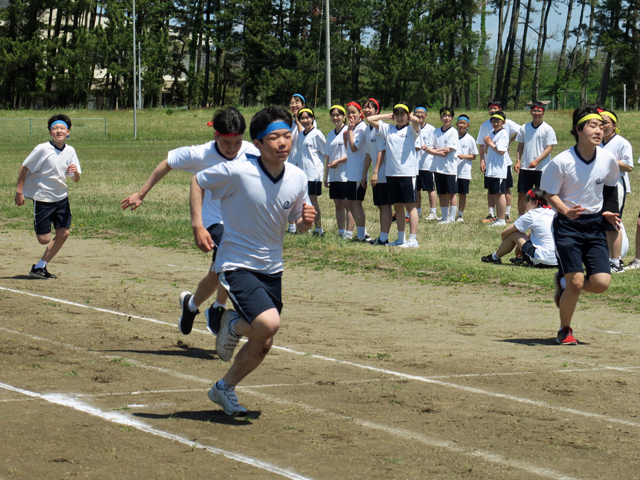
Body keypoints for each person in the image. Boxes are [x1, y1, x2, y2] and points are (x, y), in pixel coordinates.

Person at [189, 106, 316, 415]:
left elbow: (297, 222)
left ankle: (223, 388)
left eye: (288, 135)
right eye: (274, 137)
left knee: (264, 341)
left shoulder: (298, 177)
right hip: (236, 262)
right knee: (268, 323)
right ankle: (231, 323)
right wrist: (198, 225)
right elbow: (198, 181)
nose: (283, 143)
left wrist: (305, 222)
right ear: (258, 144)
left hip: (272, 267)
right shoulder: (239, 170)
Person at [120, 107, 258, 337]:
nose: (233, 149)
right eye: (227, 144)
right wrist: (142, 193)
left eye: (237, 142)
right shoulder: (200, 154)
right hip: (212, 221)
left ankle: (192, 305)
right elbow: (167, 163)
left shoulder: (252, 151)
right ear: (216, 136)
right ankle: (219, 308)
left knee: (220, 270)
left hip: (240, 221)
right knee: (229, 258)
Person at [540, 106, 620, 345]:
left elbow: (610, 186)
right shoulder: (562, 161)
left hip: (594, 225)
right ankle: (565, 330)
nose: (599, 130)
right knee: (576, 282)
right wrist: (565, 210)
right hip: (567, 226)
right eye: (593, 126)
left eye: (601, 126)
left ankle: (561, 283)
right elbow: (549, 194)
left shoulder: (607, 158)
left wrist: (609, 210)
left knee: (601, 283)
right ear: (578, 129)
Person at [15, 114, 81, 280]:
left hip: (61, 199)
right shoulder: (42, 149)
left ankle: (40, 266)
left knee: (64, 233)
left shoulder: (70, 151)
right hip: (43, 198)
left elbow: (76, 178)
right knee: (44, 239)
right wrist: (19, 192)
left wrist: (75, 172)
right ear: (50, 132)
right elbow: (24, 167)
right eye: (55, 128)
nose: (59, 131)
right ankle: (40, 227)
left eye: (62, 128)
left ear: (68, 132)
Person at [367, 103, 421, 247]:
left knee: (410, 207)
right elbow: (371, 119)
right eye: (397, 115)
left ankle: (413, 239)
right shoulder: (388, 128)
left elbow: (416, 121)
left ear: (408, 115)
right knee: (397, 208)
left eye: (402, 115)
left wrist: (410, 116)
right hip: (391, 173)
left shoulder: (411, 129)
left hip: (407, 173)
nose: (399, 118)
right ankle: (400, 238)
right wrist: (388, 116)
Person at [481, 188, 557, 267]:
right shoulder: (553, 212)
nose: (524, 204)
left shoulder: (532, 214)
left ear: (535, 202)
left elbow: (504, 233)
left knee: (515, 233)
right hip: (559, 260)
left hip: (542, 260)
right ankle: (520, 258)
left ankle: (494, 257)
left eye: (527, 201)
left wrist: (508, 241)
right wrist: (519, 249)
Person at [597, 109, 633, 273]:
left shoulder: (621, 142)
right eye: (600, 122)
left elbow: (629, 166)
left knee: (613, 222)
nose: (603, 126)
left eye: (606, 122)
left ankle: (616, 261)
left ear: (614, 125)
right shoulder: (597, 141)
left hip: (615, 184)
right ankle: (604, 256)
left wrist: (611, 160)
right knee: (600, 221)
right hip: (597, 184)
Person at [477, 99, 519, 222]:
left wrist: (509, 142)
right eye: (490, 109)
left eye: (495, 108)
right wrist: (483, 157)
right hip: (491, 163)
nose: (495, 123)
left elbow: (502, 149)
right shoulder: (488, 127)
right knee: (493, 190)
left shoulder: (506, 128)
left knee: (503, 189)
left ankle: (505, 215)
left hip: (502, 164)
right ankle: (492, 214)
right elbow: (483, 146)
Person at [515, 102, 557, 215]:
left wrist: (537, 160)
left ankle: (543, 215)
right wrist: (518, 161)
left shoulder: (547, 129)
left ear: (543, 113)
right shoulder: (524, 127)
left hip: (542, 168)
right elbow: (520, 146)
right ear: (530, 112)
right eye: (534, 111)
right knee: (522, 193)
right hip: (526, 167)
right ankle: (521, 217)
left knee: (542, 194)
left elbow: (549, 148)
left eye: (539, 111)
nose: (536, 113)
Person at [363, 98, 392, 246]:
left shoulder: (380, 128)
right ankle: (382, 237)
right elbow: (369, 153)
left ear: (377, 111)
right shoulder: (367, 130)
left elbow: (382, 151)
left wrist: (375, 172)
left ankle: (383, 238)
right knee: (381, 205)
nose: (367, 110)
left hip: (385, 173)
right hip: (376, 174)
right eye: (365, 107)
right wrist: (364, 174)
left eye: (371, 108)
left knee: (385, 205)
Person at [323, 105, 354, 237]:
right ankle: (341, 231)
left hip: (346, 174)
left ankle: (349, 232)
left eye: (338, 115)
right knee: (338, 204)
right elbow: (328, 157)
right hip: (334, 175)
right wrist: (326, 177)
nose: (335, 117)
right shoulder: (330, 135)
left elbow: (353, 154)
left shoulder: (348, 131)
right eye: (333, 115)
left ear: (344, 117)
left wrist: (338, 162)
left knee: (349, 205)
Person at [295, 107, 326, 235]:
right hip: (303, 175)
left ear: (313, 118)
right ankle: (306, 228)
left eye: (308, 117)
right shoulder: (300, 135)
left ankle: (318, 229)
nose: (305, 120)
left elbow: (325, 152)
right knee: (303, 202)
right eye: (303, 118)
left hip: (313, 174)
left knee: (313, 202)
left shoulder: (317, 134)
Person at [343, 101, 369, 241]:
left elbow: (354, 148)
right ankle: (363, 230)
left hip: (359, 172)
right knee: (348, 203)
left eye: (354, 112)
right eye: (349, 113)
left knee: (356, 203)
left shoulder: (360, 128)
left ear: (360, 114)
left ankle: (360, 235)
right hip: (351, 171)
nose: (351, 115)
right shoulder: (352, 127)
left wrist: (351, 130)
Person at [430, 107, 460, 224]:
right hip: (437, 167)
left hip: (449, 168)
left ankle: (452, 218)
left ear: (452, 118)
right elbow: (428, 147)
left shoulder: (453, 132)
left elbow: (449, 149)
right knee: (441, 193)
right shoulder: (435, 132)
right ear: (440, 117)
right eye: (444, 115)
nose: (446, 118)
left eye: (449, 116)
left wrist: (434, 150)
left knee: (451, 193)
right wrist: (436, 151)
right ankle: (444, 217)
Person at [483, 110, 510, 227]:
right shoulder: (491, 132)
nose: (495, 123)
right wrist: (486, 144)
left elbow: (501, 150)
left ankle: (502, 219)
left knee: (500, 194)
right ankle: (498, 218)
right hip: (491, 168)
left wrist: (490, 143)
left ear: (503, 122)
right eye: (493, 121)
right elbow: (486, 150)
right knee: (494, 193)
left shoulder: (503, 133)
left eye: (498, 121)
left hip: (499, 169)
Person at [414, 106, 439, 221]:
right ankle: (417, 211)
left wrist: (427, 147)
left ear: (426, 115)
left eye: (422, 113)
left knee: (430, 188)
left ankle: (433, 212)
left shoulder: (431, 129)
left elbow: (435, 145)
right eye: (417, 113)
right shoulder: (411, 127)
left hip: (427, 163)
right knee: (416, 189)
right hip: (414, 164)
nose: (419, 115)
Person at [454, 114, 478, 223]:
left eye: (464, 123)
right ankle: (450, 213)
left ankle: (460, 214)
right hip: (451, 170)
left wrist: (464, 156)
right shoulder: (452, 136)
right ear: (456, 124)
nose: (461, 125)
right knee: (451, 193)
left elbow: (474, 156)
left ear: (468, 125)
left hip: (463, 171)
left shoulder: (470, 139)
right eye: (460, 123)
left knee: (462, 193)